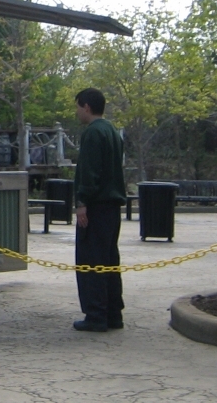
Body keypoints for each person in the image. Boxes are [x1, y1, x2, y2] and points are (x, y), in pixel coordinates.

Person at [72, 87, 127, 332]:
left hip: (96, 205)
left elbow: (89, 170)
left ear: (87, 107)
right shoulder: (112, 131)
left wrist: (82, 202)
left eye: (77, 107)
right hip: (112, 206)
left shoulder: (93, 133)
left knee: (90, 260)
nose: (76, 112)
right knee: (109, 260)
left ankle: (95, 314)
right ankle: (113, 312)